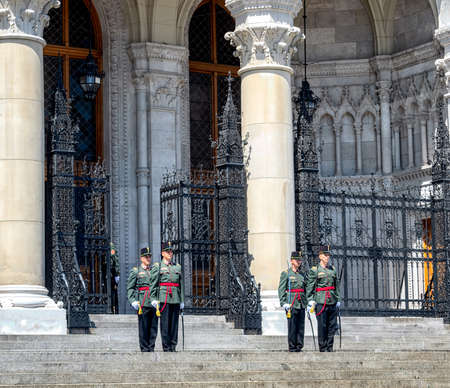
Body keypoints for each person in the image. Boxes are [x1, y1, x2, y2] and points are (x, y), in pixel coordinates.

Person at [306, 245, 341, 352]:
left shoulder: (333, 270)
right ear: (320, 256)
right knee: (322, 325)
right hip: (321, 301)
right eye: (325, 255)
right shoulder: (315, 270)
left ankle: (330, 347)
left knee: (332, 325)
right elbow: (310, 286)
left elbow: (336, 286)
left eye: (328, 255)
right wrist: (310, 300)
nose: (327, 257)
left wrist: (338, 299)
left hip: (332, 300)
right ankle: (323, 346)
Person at [151, 242, 184, 352]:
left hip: (175, 298)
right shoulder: (158, 266)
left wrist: (182, 300)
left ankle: (173, 345)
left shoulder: (177, 267)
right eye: (167, 251)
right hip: (164, 298)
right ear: (162, 253)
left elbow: (181, 285)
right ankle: (166, 346)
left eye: (171, 251)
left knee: (174, 323)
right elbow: (154, 284)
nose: (170, 253)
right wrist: (154, 298)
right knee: (165, 323)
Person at [127, 247, 158, 352]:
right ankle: (144, 348)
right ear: (141, 258)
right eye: (146, 257)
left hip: (153, 302)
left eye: (149, 256)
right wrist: (133, 301)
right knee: (144, 327)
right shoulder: (136, 271)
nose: (148, 258)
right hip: (143, 302)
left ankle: (151, 347)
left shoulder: (154, 270)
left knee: (153, 327)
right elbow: (130, 287)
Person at [278, 251, 307, 352]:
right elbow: (281, 289)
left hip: (301, 302)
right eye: (296, 260)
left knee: (301, 326)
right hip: (291, 303)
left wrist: (307, 302)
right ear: (291, 261)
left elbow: (305, 289)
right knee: (292, 325)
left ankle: (299, 345)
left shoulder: (302, 274)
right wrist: (283, 302)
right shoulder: (286, 273)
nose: (299, 261)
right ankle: (292, 346)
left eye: (300, 260)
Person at [110, 242, 120, 313]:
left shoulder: (110, 245)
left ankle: (114, 310)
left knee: (113, 293)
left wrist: (116, 274)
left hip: (111, 273)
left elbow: (115, 260)